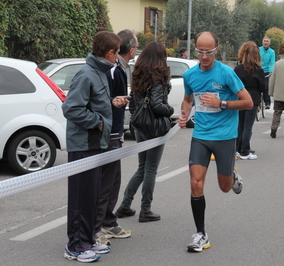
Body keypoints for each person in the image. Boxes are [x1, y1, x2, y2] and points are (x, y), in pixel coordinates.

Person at [177, 31, 253, 252]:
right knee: (195, 182)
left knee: (224, 187)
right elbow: (187, 99)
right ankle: (201, 234)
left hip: (225, 136)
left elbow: (248, 102)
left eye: (208, 52)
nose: (203, 56)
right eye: (200, 51)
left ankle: (231, 172)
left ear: (216, 51)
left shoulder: (226, 73)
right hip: (201, 135)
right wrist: (184, 114)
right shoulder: (190, 75)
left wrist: (222, 104)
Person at [62, 31, 125, 263]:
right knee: (81, 197)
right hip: (83, 145)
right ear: (110, 53)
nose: (118, 57)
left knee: (93, 195)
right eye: (117, 52)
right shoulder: (86, 74)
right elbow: (71, 109)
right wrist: (98, 122)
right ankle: (75, 246)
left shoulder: (100, 73)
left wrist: (111, 103)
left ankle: (88, 239)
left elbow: (93, 102)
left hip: (96, 144)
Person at [115, 41, 174, 223]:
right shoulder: (159, 77)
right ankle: (145, 210)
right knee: (151, 169)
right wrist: (170, 110)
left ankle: (125, 205)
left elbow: (133, 103)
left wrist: (139, 119)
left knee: (142, 167)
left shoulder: (138, 74)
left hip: (140, 125)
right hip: (155, 127)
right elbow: (157, 105)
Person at [95, 29, 138, 244]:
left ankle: (108, 221)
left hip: (115, 131)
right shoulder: (113, 70)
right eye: (136, 47)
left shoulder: (120, 68)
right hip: (109, 133)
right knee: (107, 181)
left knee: (113, 180)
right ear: (130, 49)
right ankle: (101, 225)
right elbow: (105, 99)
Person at [234, 41, 265, 159]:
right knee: (248, 125)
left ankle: (237, 148)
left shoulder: (238, 68)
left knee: (240, 124)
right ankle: (245, 151)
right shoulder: (258, 70)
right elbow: (262, 87)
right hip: (253, 98)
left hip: (240, 98)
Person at [259, 36, 275, 109]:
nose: (266, 42)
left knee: (266, 87)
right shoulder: (258, 50)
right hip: (258, 70)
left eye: (267, 41)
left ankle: (267, 103)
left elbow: (272, 62)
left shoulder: (272, 52)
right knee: (257, 86)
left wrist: (271, 71)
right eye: (264, 41)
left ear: (269, 43)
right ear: (262, 42)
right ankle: (258, 102)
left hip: (266, 71)